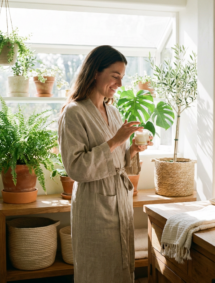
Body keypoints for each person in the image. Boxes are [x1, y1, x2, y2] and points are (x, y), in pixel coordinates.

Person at [58, 45, 153, 283]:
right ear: (94, 73)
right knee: (96, 270)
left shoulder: (114, 113)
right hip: (94, 205)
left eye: (122, 77)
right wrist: (115, 141)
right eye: (115, 76)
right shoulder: (73, 113)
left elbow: (115, 162)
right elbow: (76, 168)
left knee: (121, 269)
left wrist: (131, 149)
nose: (120, 84)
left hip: (119, 202)